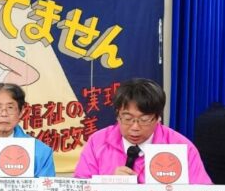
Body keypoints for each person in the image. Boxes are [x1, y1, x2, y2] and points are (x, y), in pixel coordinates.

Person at [73, 78, 212, 184]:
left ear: (158, 118)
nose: (135, 127)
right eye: (127, 118)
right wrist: (108, 184)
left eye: (144, 119)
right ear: (117, 115)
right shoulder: (97, 142)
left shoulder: (181, 146)